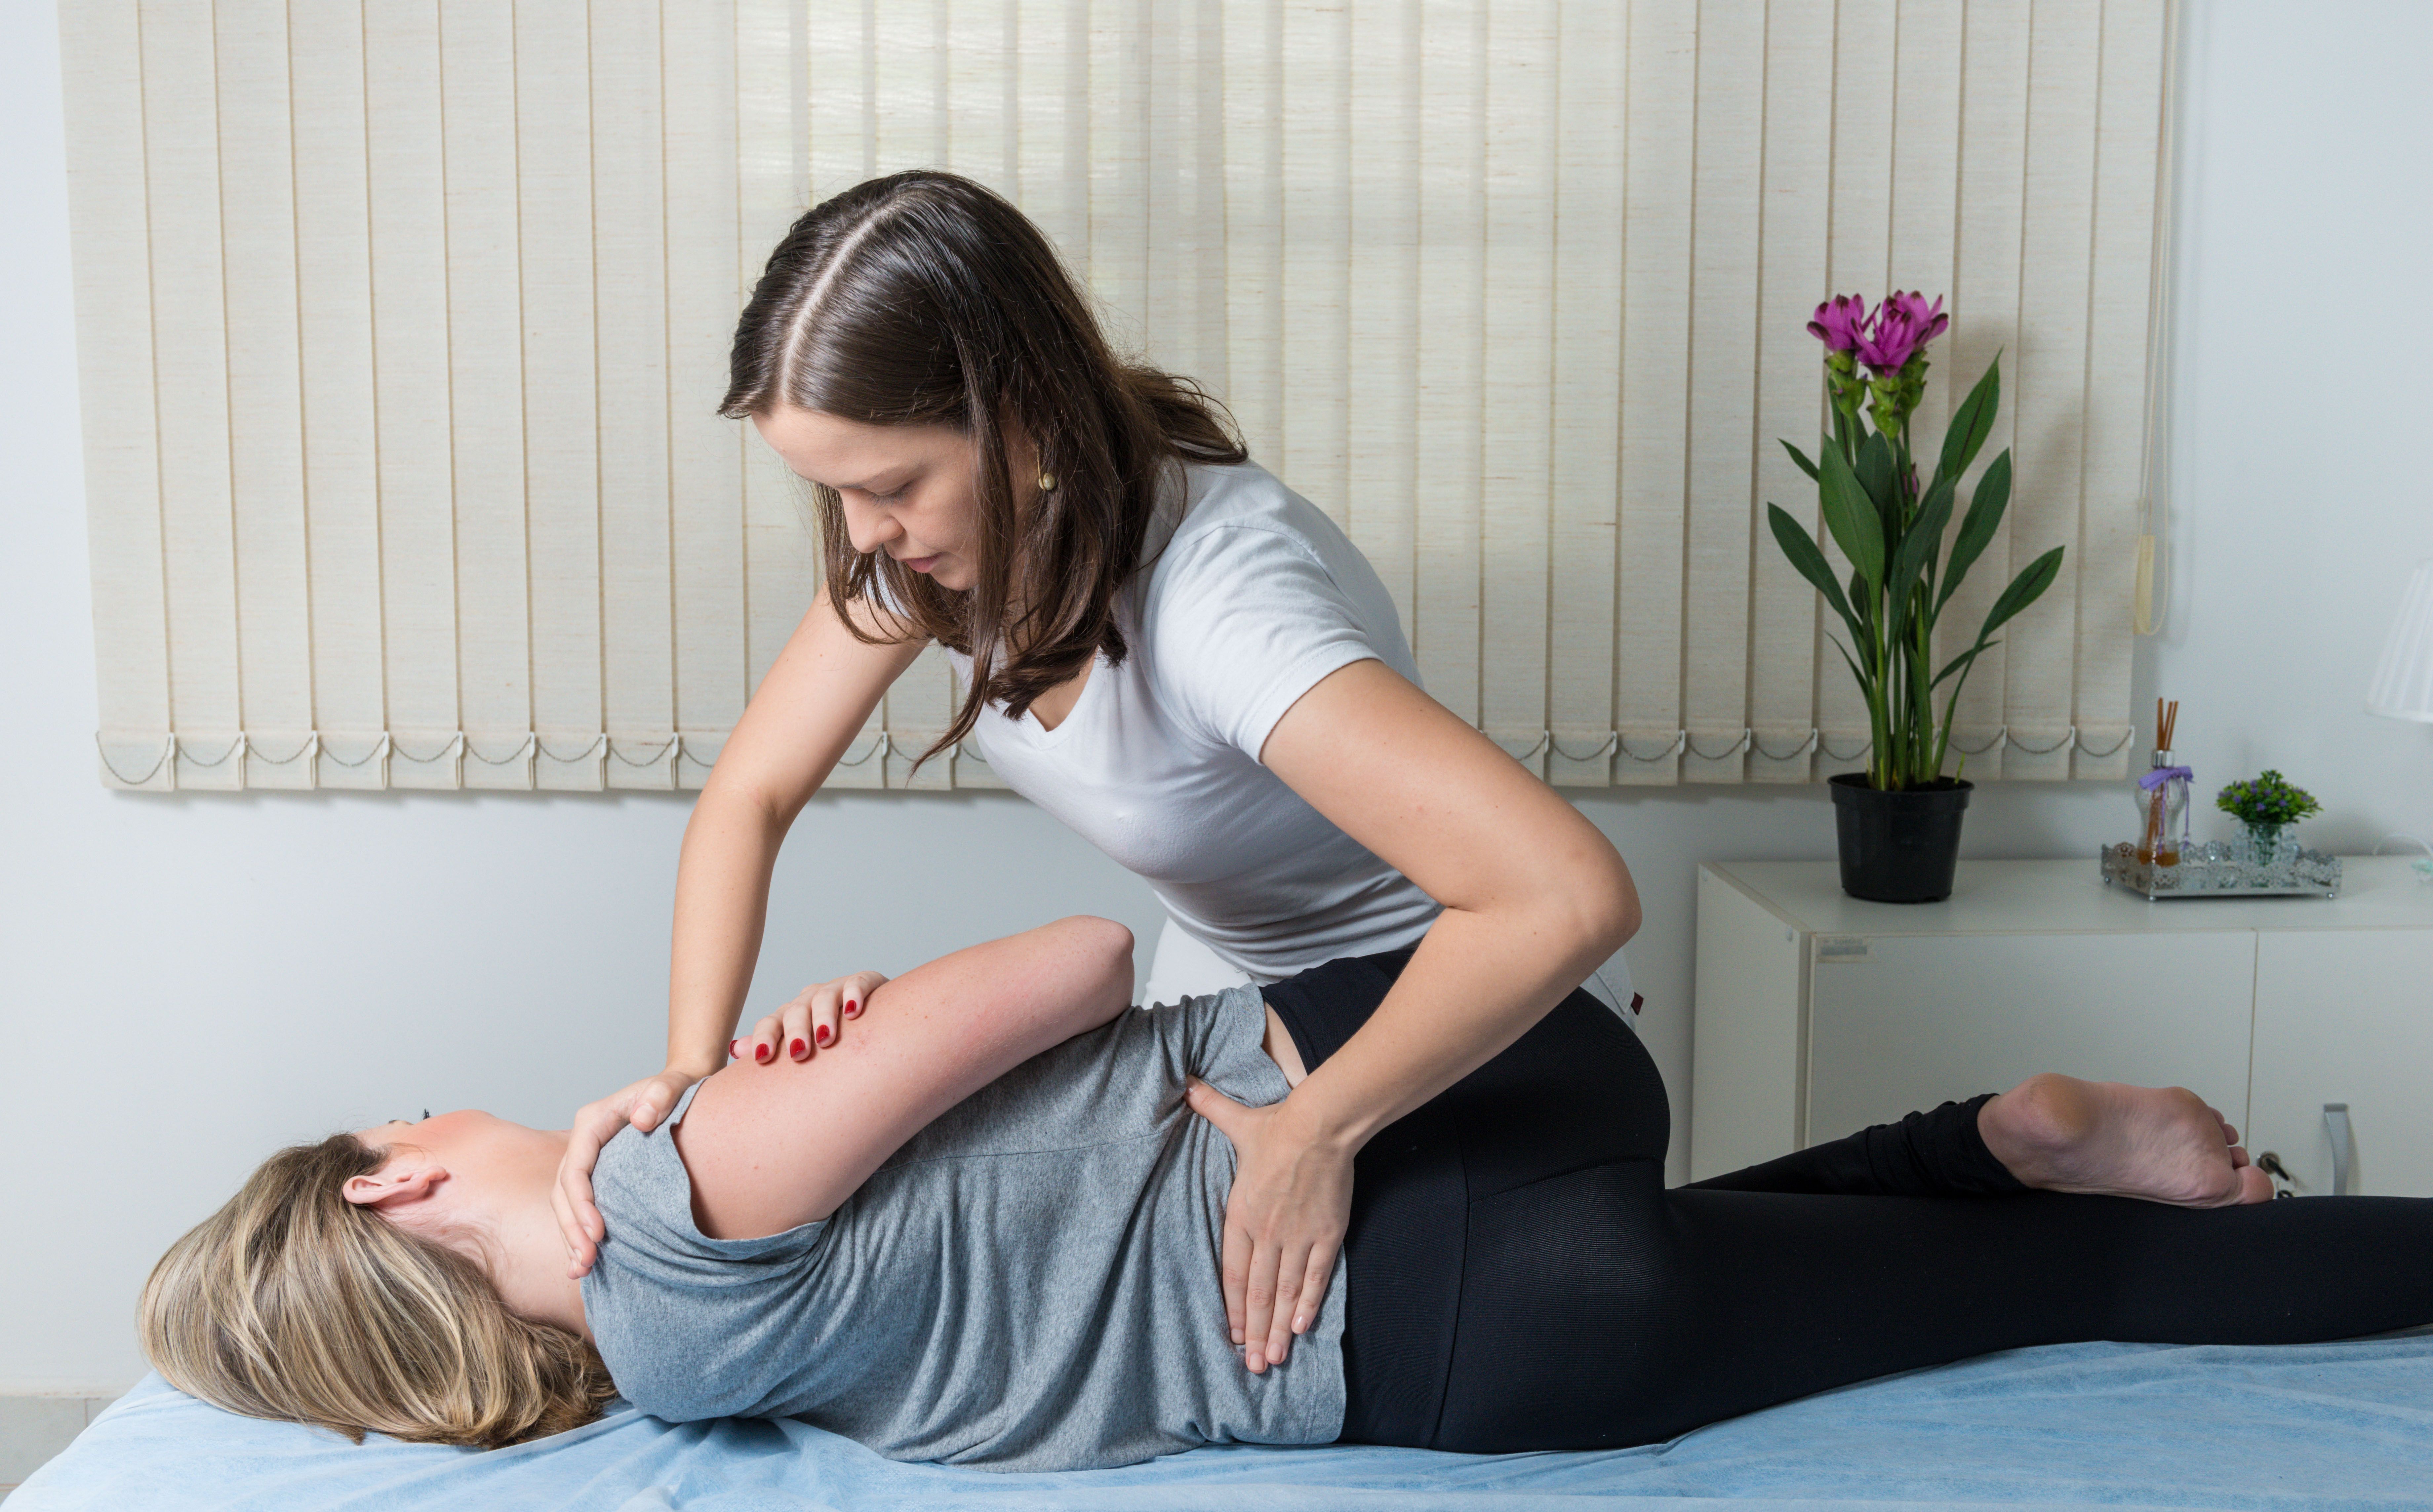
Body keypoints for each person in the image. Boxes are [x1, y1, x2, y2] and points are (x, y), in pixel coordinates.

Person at [551, 168, 1644, 1375]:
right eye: (834, 492)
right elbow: (749, 798)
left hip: (1450, 1007)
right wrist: (693, 1078)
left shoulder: (1221, 600)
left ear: (1020, 410)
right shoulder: (942, 548)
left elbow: (1565, 894)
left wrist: (1320, 1131)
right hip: (1237, 994)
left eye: (892, 486)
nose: (862, 535)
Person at [148, 918, 2433, 1468]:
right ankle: (1993, 1147)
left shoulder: (670, 1369)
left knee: (1947, 1284)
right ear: (401, 1178)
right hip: (1431, 1102)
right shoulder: (667, 1189)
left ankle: (1989, 1160)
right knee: (1997, 1260)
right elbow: (1078, 964)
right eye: (421, 1112)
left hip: (1476, 1330)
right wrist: (731, 1077)